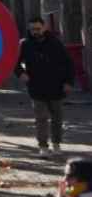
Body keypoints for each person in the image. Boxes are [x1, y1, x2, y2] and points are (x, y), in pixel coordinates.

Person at [17, 16, 76, 154]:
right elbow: (15, 62)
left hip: (56, 86)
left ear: (44, 27)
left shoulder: (55, 43)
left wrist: (68, 82)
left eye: (38, 28)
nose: (35, 32)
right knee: (41, 118)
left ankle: (56, 143)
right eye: (32, 29)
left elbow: (68, 63)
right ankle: (43, 146)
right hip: (36, 87)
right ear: (29, 29)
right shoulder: (24, 44)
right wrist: (21, 74)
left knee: (57, 118)